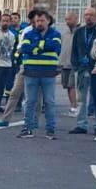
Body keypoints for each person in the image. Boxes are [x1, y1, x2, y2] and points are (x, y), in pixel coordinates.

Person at [17, 8, 62, 140]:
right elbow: (24, 48)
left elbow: (55, 46)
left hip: (48, 73)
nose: (39, 23)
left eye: (42, 20)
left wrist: (36, 48)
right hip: (31, 72)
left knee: (49, 102)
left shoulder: (56, 34)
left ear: (48, 21)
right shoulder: (28, 34)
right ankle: (28, 128)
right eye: (37, 21)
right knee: (30, 102)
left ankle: (50, 130)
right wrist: (41, 47)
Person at [69, 7, 96, 134]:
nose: (88, 17)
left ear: (95, 17)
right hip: (82, 69)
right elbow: (74, 50)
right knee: (81, 98)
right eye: (86, 15)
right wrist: (76, 65)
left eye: (91, 15)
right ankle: (81, 124)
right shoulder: (80, 31)